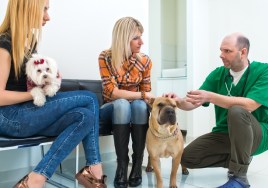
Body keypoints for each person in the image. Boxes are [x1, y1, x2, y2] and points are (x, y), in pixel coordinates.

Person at [0, 0, 107, 187]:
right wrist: (35, 93)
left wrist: (50, 79)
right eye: (45, 9)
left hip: (26, 113)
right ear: (29, 9)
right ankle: (94, 173)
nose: (48, 17)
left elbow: (27, 84)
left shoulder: (27, 44)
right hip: (9, 118)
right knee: (90, 98)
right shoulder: (4, 44)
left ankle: (37, 177)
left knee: (85, 116)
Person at [164, 32, 268, 188]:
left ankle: (239, 178)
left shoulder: (267, 71)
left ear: (243, 52)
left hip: (259, 133)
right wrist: (178, 101)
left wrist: (210, 97)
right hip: (225, 133)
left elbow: (250, 105)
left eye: (227, 51)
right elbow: (193, 102)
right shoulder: (218, 74)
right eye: (221, 50)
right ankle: (241, 160)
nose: (221, 55)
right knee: (187, 157)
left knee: (237, 110)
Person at [98, 17, 154, 188]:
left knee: (139, 105)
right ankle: (122, 165)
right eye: (136, 37)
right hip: (111, 108)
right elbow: (113, 93)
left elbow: (145, 96)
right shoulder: (105, 57)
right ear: (123, 38)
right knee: (122, 103)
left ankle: (137, 165)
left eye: (141, 36)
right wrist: (141, 94)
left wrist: (148, 98)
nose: (141, 42)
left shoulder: (145, 61)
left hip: (135, 108)